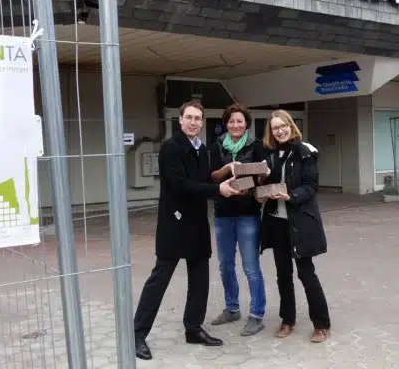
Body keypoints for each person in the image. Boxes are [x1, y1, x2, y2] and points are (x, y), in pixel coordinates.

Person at [133, 100, 242, 361]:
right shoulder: (171, 148)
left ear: (202, 123)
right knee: (159, 279)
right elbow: (181, 185)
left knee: (200, 280)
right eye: (189, 117)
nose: (193, 122)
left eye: (198, 118)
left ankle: (193, 329)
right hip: (175, 222)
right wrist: (218, 190)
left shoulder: (202, 149)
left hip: (196, 223)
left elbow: (203, 180)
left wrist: (225, 173)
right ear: (180, 120)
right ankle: (136, 335)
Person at [256, 110, 331, 343]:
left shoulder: (304, 152)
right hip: (276, 222)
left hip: (299, 222)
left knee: (306, 273)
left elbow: (311, 186)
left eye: (283, 125)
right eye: (275, 127)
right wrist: (261, 190)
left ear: (291, 126)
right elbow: (268, 185)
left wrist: (292, 196)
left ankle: (321, 324)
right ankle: (287, 320)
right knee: (283, 274)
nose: (279, 130)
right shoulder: (270, 156)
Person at [208, 103, 268, 336]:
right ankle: (232, 308)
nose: (235, 125)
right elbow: (210, 178)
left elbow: (263, 177)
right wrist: (227, 169)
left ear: (246, 124)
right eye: (231, 121)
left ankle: (257, 315)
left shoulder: (256, 146)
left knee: (251, 266)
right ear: (226, 123)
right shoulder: (216, 147)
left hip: (247, 214)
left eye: (240, 121)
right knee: (225, 265)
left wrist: (256, 177)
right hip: (222, 214)